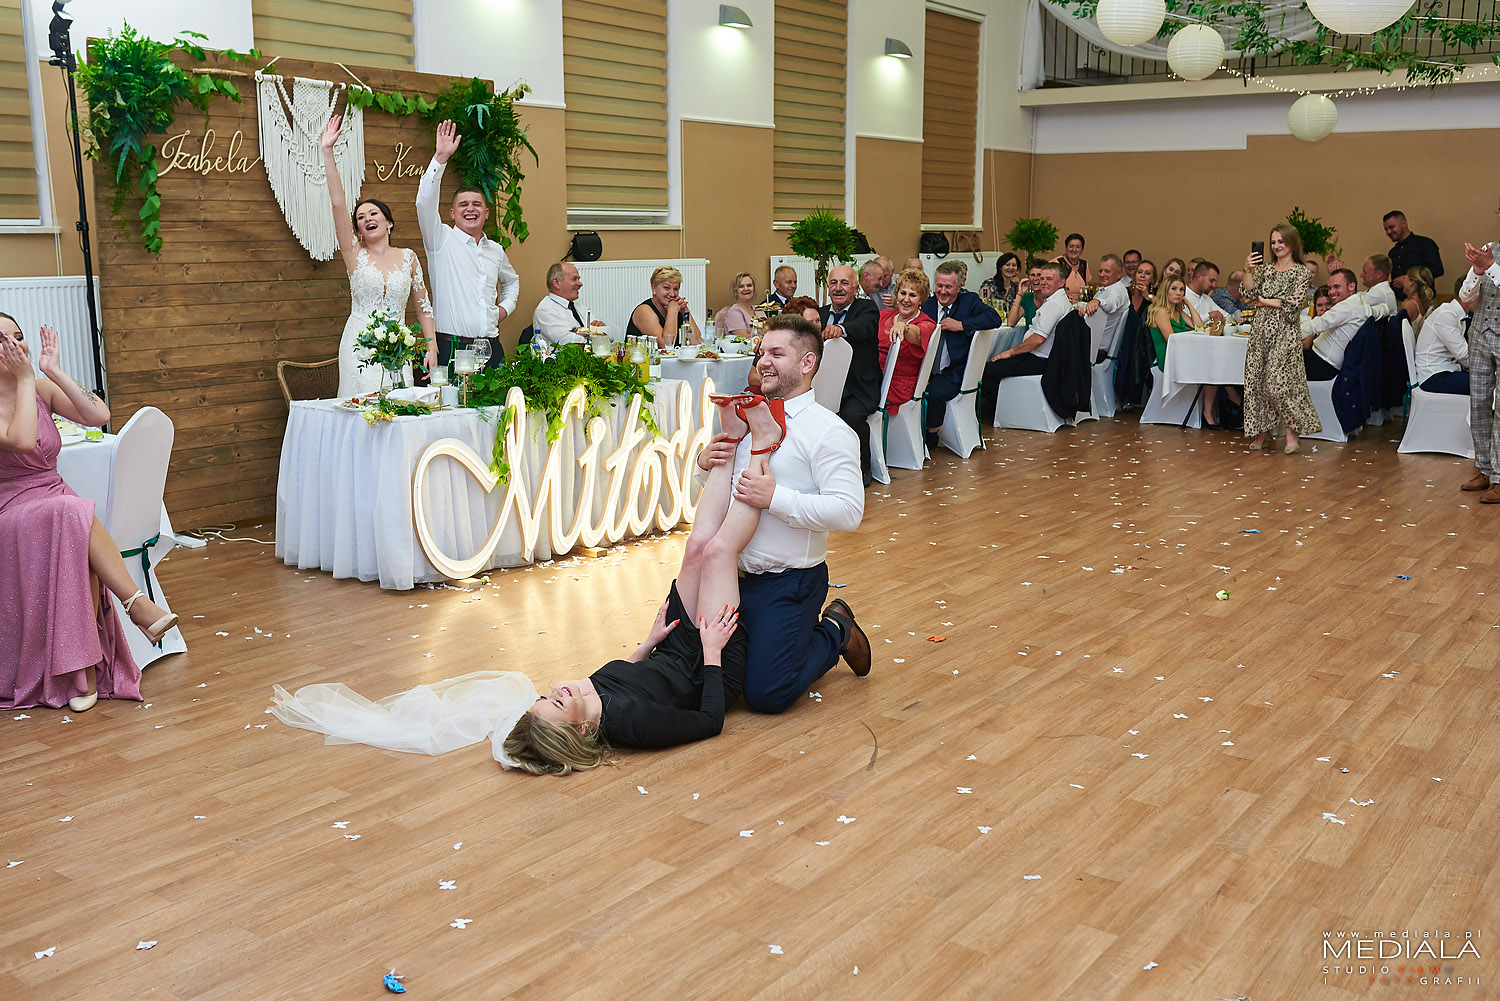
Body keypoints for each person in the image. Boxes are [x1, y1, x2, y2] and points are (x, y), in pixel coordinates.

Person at [499, 396, 780, 773]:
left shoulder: (584, 698)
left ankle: (732, 437)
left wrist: (648, 643)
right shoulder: (631, 724)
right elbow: (710, 721)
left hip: (674, 648)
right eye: (558, 703)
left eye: (545, 697)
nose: (558, 691)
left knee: (696, 546)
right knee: (717, 553)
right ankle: (763, 443)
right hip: (708, 665)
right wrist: (712, 650)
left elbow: (628, 679)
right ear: (581, 730)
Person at [0, 317, 180, 711]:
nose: (14, 346)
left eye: (19, 337)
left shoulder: (42, 388)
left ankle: (84, 676)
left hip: (53, 498)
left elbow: (99, 415)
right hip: (9, 508)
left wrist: (53, 371)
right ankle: (136, 607)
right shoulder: (25, 389)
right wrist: (26, 379)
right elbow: (22, 440)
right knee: (72, 510)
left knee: (71, 514)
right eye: (2, 340)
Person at [696, 315, 868, 713]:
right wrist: (703, 467)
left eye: (777, 353)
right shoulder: (743, 417)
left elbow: (849, 512)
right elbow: (714, 495)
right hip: (729, 577)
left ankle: (837, 629)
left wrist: (775, 498)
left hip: (789, 583)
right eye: (762, 353)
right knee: (702, 679)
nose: (763, 362)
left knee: (766, 694)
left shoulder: (830, 432)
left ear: (807, 363)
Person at [322, 116, 436, 397]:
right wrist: (327, 151)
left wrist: (431, 345)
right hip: (358, 348)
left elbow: (423, 307)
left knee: (398, 404)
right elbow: (337, 205)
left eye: (373, 213)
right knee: (361, 407)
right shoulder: (354, 255)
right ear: (358, 230)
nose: (367, 219)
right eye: (361, 217)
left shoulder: (409, 258)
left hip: (398, 349)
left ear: (389, 223)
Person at [417, 120, 519, 372]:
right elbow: (424, 203)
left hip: (492, 348)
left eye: (476, 204)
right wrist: (440, 159)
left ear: (486, 213)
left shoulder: (495, 250)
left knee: (499, 400)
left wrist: (504, 309)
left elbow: (512, 282)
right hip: (453, 349)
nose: (470, 209)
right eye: (463, 204)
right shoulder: (440, 240)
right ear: (452, 213)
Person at [1241, 224, 1320, 454]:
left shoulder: (1301, 272)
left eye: (1281, 241)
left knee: (1278, 383)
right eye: (1273, 242)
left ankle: (1292, 432)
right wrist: (1247, 270)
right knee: (1257, 382)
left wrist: (1264, 301)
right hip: (1260, 331)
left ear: (1291, 243)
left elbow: (1293, 303)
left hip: (1285, 332)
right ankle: (1262, 433)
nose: (1276, 246)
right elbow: (1248, 293)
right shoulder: (1265, 269)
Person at [919, 264, 1002, 446]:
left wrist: (961, 325)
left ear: (958, 287)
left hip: (954, 371)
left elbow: (994, 319)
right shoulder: (928, 304)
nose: (943, 291)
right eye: (939, 285)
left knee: (933, 394)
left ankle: (931, 439)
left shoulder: (969, 301)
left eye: (948, 287)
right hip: (925, 368)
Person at [820, 265, 881, 487]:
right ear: (828, 288)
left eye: (845, 283)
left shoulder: (867, 309)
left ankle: (862, 468)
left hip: (858, 388)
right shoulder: (820, 314)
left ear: (856, 289)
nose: (838, 288)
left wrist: (840, 329)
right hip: (824, 388)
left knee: (850, 416)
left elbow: (865, 326)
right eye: (833, 283)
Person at [983, 261, 1070, 391]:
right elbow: (1012, 323)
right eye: (1042, 278)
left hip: (1039, 361)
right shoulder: (1059, 300)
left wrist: (1010, 352)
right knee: (994, 366)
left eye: (1049, 279)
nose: (1043, 282)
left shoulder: (1054, 304)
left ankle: (1003, 402)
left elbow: (1038, 339)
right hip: (1044, 358)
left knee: (985, 370)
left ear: (1061, 282)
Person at [1460, 226, 1500, 500]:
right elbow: (1465, 297)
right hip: (1480, 335)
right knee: (1478, 405)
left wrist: (1491, 267)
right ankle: (1484, 469)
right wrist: (1476, 271)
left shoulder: (1490, 257)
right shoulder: (1490, 248)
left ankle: (1499, 476)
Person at [877, 268, 938, 417]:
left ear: (921, 299)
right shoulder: (885, 315)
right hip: (876, 376)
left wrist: (904, 327)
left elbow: (917, 335)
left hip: (898, 385)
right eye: (903, 293)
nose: (906, 299)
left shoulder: (927, 323)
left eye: (912, 295)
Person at [1299, 268, 1367, 382]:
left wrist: (1284, 334)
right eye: (1330, 288)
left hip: (1322, 365)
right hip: (1319, 360)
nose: (1331, 292)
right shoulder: (1357, 302)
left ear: (1351, 286)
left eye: (1336, 287)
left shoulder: (1347, 307)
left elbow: (1316, 325)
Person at [1413, 276, 1475, 395]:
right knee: (1485, 383)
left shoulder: (1456, 314)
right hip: (1433, 375)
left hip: (1445, 369)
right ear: (1469, 295)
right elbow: (1464, 355)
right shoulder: (1446, 315)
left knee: (1487, 380)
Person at [532, 262, 605, 350]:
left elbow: (608, 334)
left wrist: (583, 334)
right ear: (556, 283)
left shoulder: (578, 306)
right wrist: (593, 334)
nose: (580, 284)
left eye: (578, 279)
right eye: (574, 279)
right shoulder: (545, 310)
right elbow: (569, 343)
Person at [626, 266, 703, 350]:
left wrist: (686, 311)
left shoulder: (676, 308)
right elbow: (666, 346)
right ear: (653, 288)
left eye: (676, 289)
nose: (672, 294)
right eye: (666, 288)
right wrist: (672, 311)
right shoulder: (644, 311)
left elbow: (697, 343)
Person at [1082, 254, 1132, 361]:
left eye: (1107, 271)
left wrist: (1097, 301)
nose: (1102, 274)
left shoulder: (1118, 290)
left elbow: (1111, 304)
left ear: (1119, 274)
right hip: (1090, 348)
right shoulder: (1106, 288)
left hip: (1097, 352)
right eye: (1100, 271)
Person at [1147, 276, 1201, 371]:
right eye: (1174, 289)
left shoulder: (1178, 311)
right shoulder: (1161, 311)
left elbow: (1199, 327)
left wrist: (1188, 304)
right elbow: (1172, 341)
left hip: (1180, 354)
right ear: (1165, 291)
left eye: (1181, 290)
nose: (1178, 293)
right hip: (1168, 359)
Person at [1384, 210, 1444, 279]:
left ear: (1404, 224)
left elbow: (1438, 270)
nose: (1388, 232)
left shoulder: (1425, 244)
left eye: (1391, 227)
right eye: (1386, 229)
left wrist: (1409, 278)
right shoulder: (1392, 252)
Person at [717, 272, 763, 339]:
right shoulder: (734, 312)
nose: (746, 289)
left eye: (749, 285)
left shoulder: (759, 310)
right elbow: (744, 338)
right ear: (735, 290)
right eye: (741, 286)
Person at [1395, 265, 1436, 333]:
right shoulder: (1424, 301)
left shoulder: (1407, 305)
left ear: (1411, 282)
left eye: (1405, 278)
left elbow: (1399, 332)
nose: (1403, 281)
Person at [1006, 260, 1046, 328]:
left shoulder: (1052, 298)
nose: (1035, 278)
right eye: (1032, 275)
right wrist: (1020, 294)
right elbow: (1011, 323)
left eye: (1039, 275)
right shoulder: (1027, 298)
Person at [1056, 232, 1090, 300]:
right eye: (1071, 246)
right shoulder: (1056, 263)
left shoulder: (1084, 264)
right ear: (1066, 248)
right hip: (1061, 302)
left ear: (1082, 250)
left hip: (1081, 303)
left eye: (1078, 247)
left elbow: (1087, 288)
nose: (1074, 249)